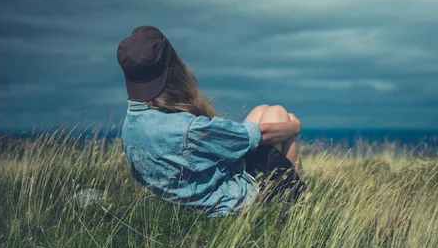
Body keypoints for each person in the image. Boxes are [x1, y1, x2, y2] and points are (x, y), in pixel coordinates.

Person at [116, 26, 306, 218]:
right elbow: (257, 135)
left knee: (262, 110)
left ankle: (294, 195)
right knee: (281, 115)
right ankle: (295, 205)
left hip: (187, 199)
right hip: (226, 205)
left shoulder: (131, 125)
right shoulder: (187, 128)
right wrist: (295, 127)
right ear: (172, 69)